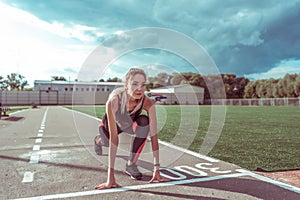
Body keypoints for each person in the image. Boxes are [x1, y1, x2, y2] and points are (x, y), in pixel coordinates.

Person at [94, 68, 169, 189]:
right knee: (107, 142)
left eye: (143, 85)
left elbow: (154, 137)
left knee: (144, 121)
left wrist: (157, 170)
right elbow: (114, 139)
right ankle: (98, 140)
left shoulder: (147, 102)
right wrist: (110, 178)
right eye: (134, 84)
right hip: (111, 125)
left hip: (129, 125)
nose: (139, 88)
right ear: (126, 85)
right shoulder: (114, 100)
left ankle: (131, 164)